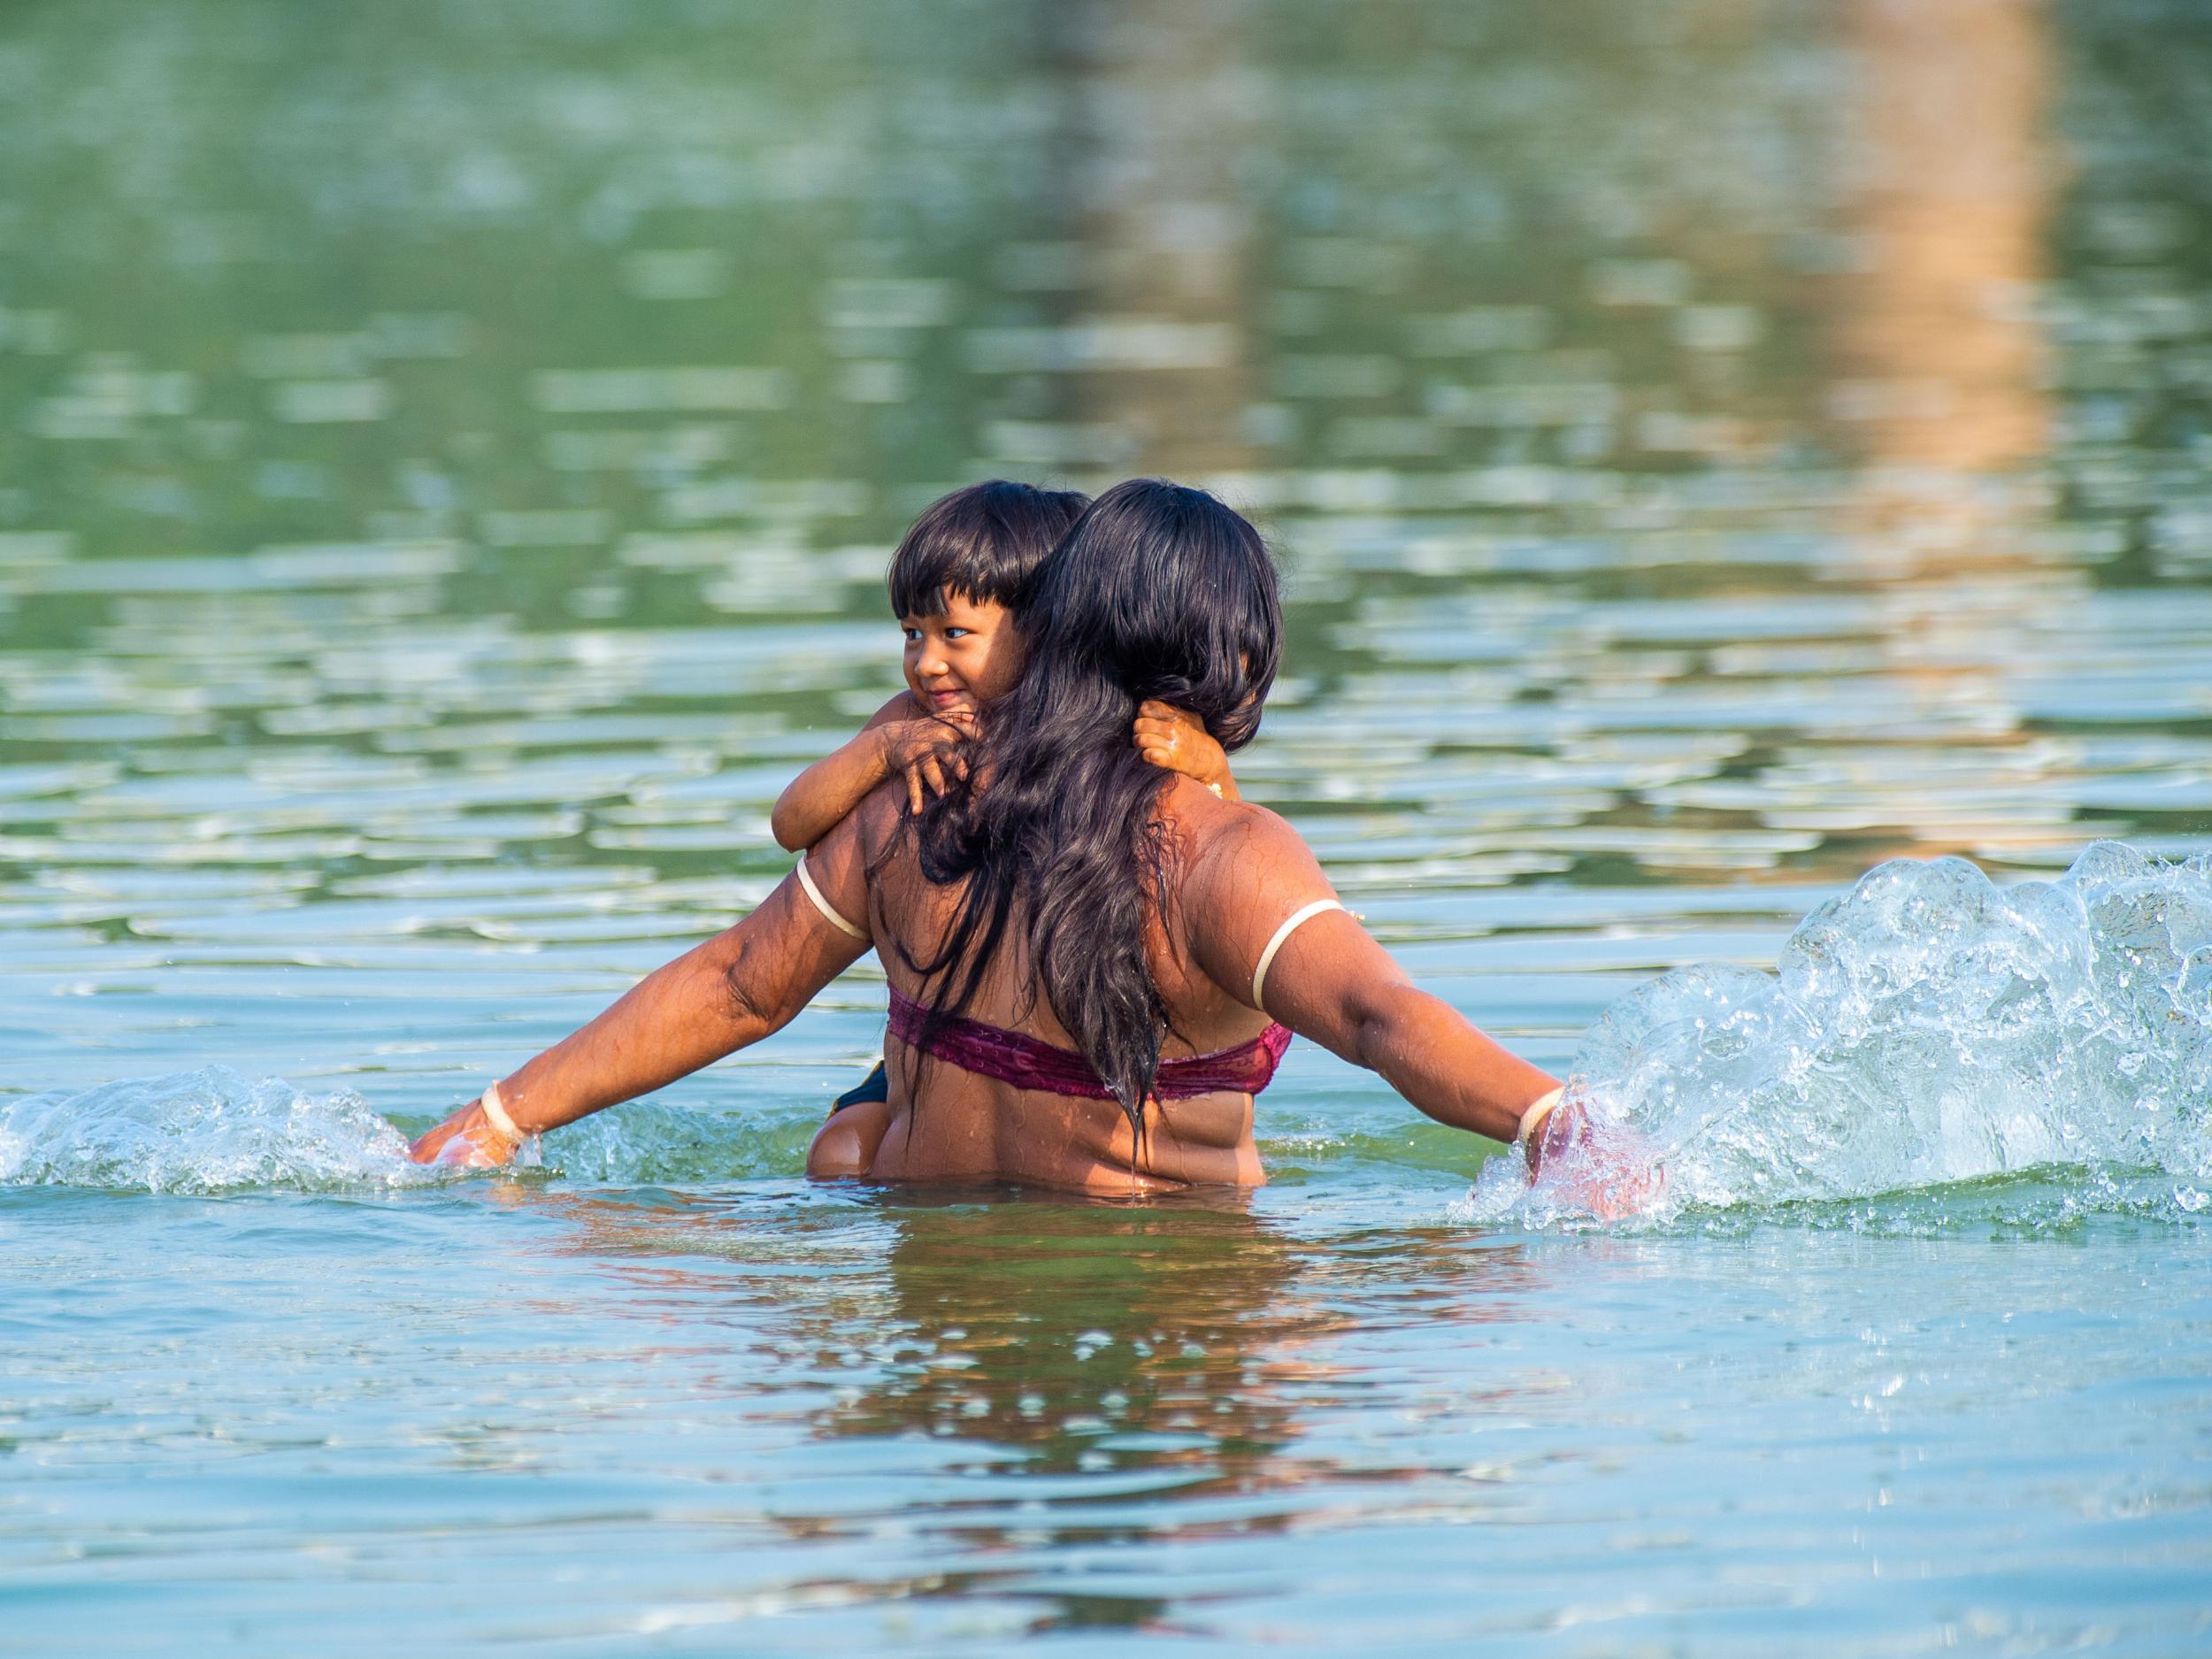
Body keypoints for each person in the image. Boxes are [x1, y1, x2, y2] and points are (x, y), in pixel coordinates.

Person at [410, 480, 1627, 1203]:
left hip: (917, 1314)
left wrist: (495, 1123)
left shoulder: (910, 801)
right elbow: (1375, 1018)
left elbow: (739, 983)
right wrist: (1560, 1126)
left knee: (841, 1149)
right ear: (1227, 660)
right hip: (1167, 1310)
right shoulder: (1217, 855)